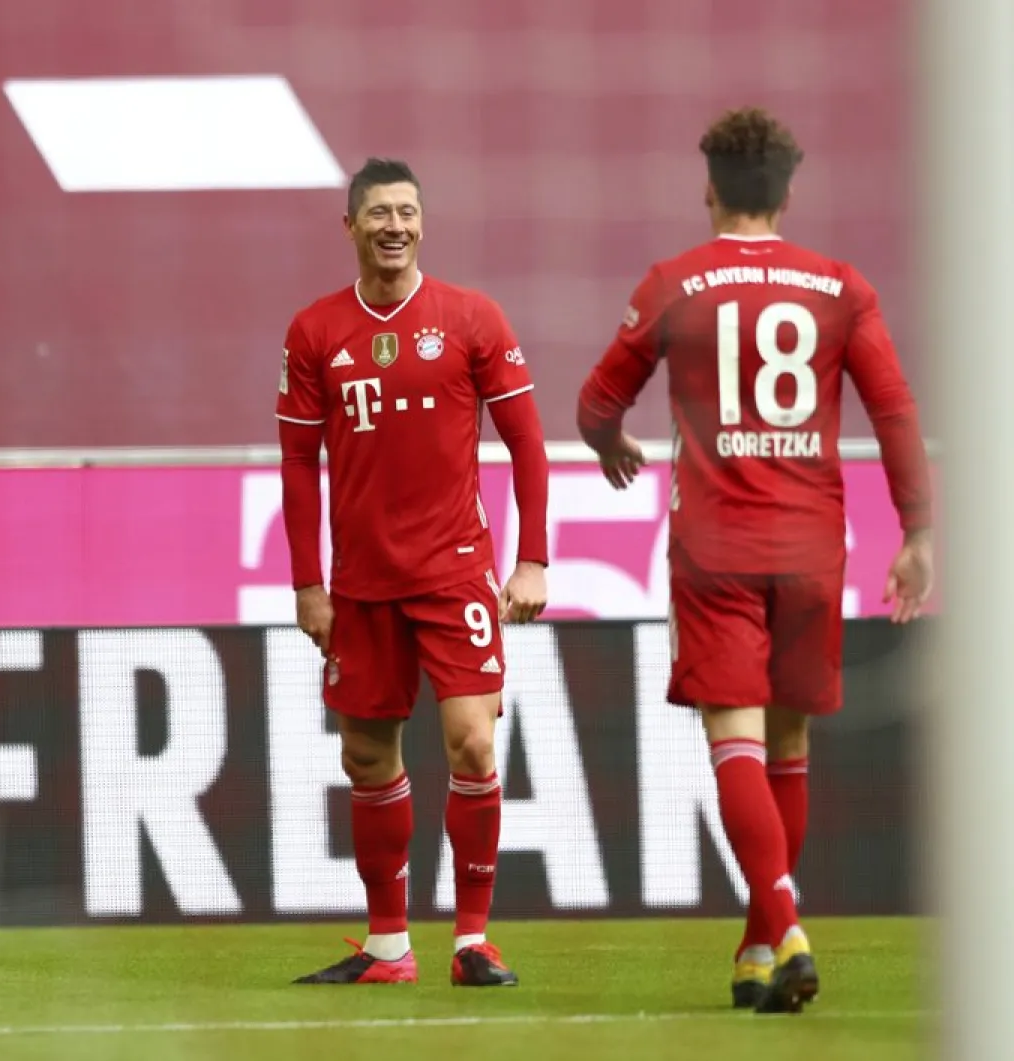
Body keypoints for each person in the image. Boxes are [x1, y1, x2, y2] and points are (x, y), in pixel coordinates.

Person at [575, 108, 934, 1014]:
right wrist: (919, 532)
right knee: (789, 743)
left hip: (717, 549)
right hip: (812, 549)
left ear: (710, 188)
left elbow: (595, 404)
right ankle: (758, 947)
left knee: (733, 740)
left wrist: (612, 444)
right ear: (788, 191)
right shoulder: (840, 287)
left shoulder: (675, 282)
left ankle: (789, 924)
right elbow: (894, 410)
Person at [276, 158, 551, 987]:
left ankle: (473, 941)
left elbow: (528, 444)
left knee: (473, 740)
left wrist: (532, 557)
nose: (394, 225)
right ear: (351, 226)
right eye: (379, 213)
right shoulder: (314, 330)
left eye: (406, 211)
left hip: (454, 571)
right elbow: (298, 465)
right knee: (367, 756)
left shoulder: (471, 317)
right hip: (361, 584)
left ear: (422, 223)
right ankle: (389, 947)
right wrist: (308, 582)